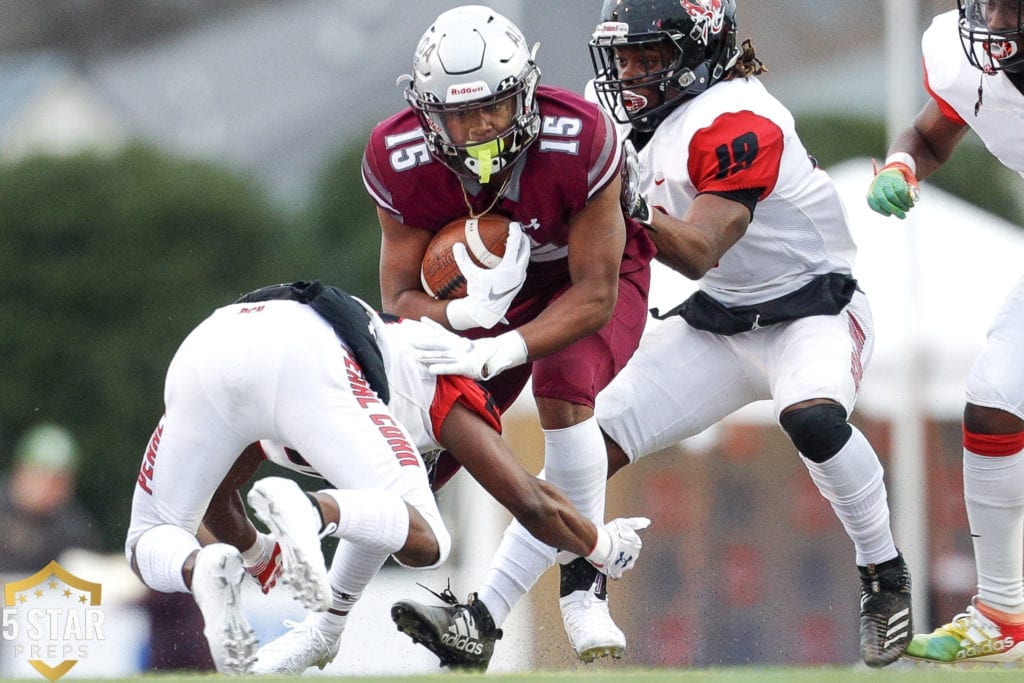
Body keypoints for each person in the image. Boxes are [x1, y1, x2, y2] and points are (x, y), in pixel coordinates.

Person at [561, 0, 909, 669]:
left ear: (701, 54)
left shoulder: (739, 118)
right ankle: (508, 605)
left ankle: (884, 575)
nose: (630, 72)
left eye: (650, 57)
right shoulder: (612, 115)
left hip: (813, 310)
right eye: (623, 56)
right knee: (584, 440)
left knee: (809, 415)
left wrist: (622, 205)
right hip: (720, 321)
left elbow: (697, 250)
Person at [361, 3, 655, 667]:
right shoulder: (398, 152)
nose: (480, 129)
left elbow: (595, 293)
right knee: (421, 449)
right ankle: (336, 614)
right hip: (484, 301)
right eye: (459, 115)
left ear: (524, 91)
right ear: (426, 112)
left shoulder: (579, 135)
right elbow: (401, 297)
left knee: (561, 383)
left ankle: (584, 585)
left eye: (494, 108)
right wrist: (464, 321)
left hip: (585, 279)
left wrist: (504, 346)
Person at [125, 280, 454, 675]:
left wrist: (256, 554)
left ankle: (199, 566)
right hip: (303, 352)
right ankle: (314, 510)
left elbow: (216, 493)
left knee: (147, 535)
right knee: (431, 539)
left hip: (208, 344)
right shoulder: (445, 383)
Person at [866, 0, 1024, 664]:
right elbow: (932, 132)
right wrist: (903, 163)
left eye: (1010, 7)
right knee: (993, 399)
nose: (994, 19)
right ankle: (1001, 609)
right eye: (988, 3)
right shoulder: (966, 61)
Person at [0, 423, 101, 574]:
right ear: (20, 471)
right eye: (40, 476)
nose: (48, 488)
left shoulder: (75, 531)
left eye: (58, 481)